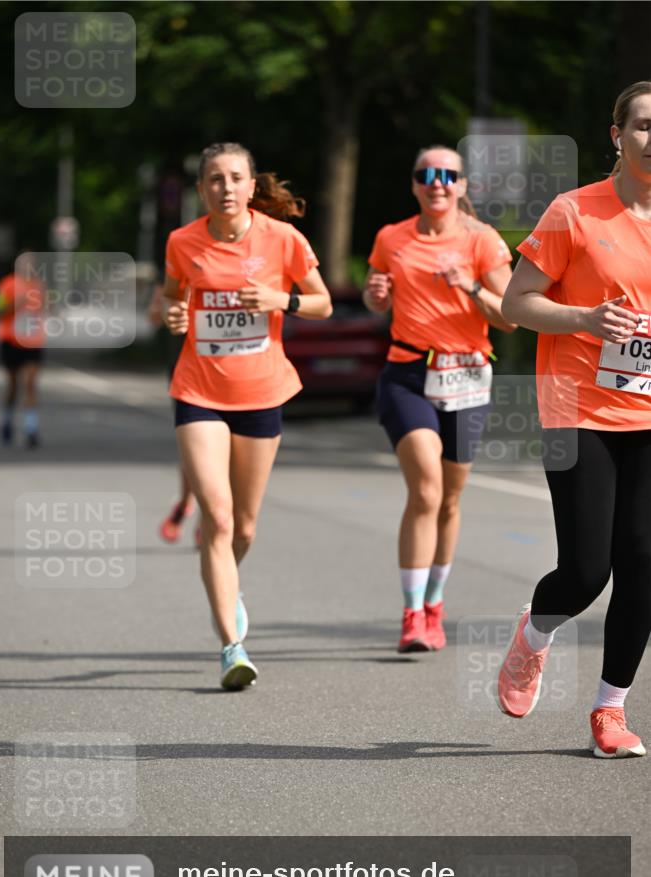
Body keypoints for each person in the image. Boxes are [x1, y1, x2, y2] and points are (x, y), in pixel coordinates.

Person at [496, 81, 651, 759]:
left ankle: (608, 711)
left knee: (644, 562)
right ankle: (533, 638)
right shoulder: (573, 212)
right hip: (577, 407)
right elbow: (515, 303)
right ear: (615, 135)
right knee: (586, 571)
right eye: (643, 124)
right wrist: (584, 319)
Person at [162, 142, 331, 690]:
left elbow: (323, 302)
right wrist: (167, 313)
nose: (226, 188)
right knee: (218, 515)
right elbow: (168, 298)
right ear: (202, 189)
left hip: (262, 394)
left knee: (246, 526)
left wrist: (281, 302)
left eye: (236, 178)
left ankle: (227, 579)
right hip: (198, 392)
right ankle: (232, 647)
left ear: (252, 186)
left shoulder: (282, 239)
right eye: (215, 179)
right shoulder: (182, 242)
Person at [363, 146, 515, 653]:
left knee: (450, 498)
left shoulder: (482, 240)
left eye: (448, 175)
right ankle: (410, 615)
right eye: (427, 174)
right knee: (426, 489)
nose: (438, 182)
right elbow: (374, 292)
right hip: (408, 372)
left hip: (467, 374)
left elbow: (510, 316)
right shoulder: (392, 237)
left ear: (463, 185)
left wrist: (470, 286)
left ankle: (434, 604)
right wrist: (376, 297)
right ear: (414, 184)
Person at [147, 281, 200, 546]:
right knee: (194, 448)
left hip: (230, 377)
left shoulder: (237, 268)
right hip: (186, 377)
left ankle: (206, 513)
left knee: (227, 451)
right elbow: (154, 318)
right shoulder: (175, 277)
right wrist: (168, 307)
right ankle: (185, 502)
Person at [0, 251, 46, 447]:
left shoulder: (39, 286)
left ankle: (30, 429)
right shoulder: (7, 284)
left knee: (31, 382)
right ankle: (7, 420)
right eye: (25, 264)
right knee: (13, 384)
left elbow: (44, 310)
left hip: (32, 342)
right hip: (10, 340)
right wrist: (14, 306)